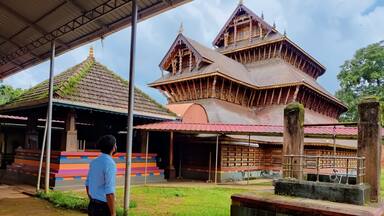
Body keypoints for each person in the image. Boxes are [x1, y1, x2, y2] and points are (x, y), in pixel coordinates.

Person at [85, 135, 117, 216]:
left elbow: (87, 184)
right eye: (115, 144)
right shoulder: (110, 164)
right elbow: (109, 192)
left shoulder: (94, 162)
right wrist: (113, 213)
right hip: (103, 208)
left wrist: (93, 200)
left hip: (92, 206)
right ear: (113, 147)